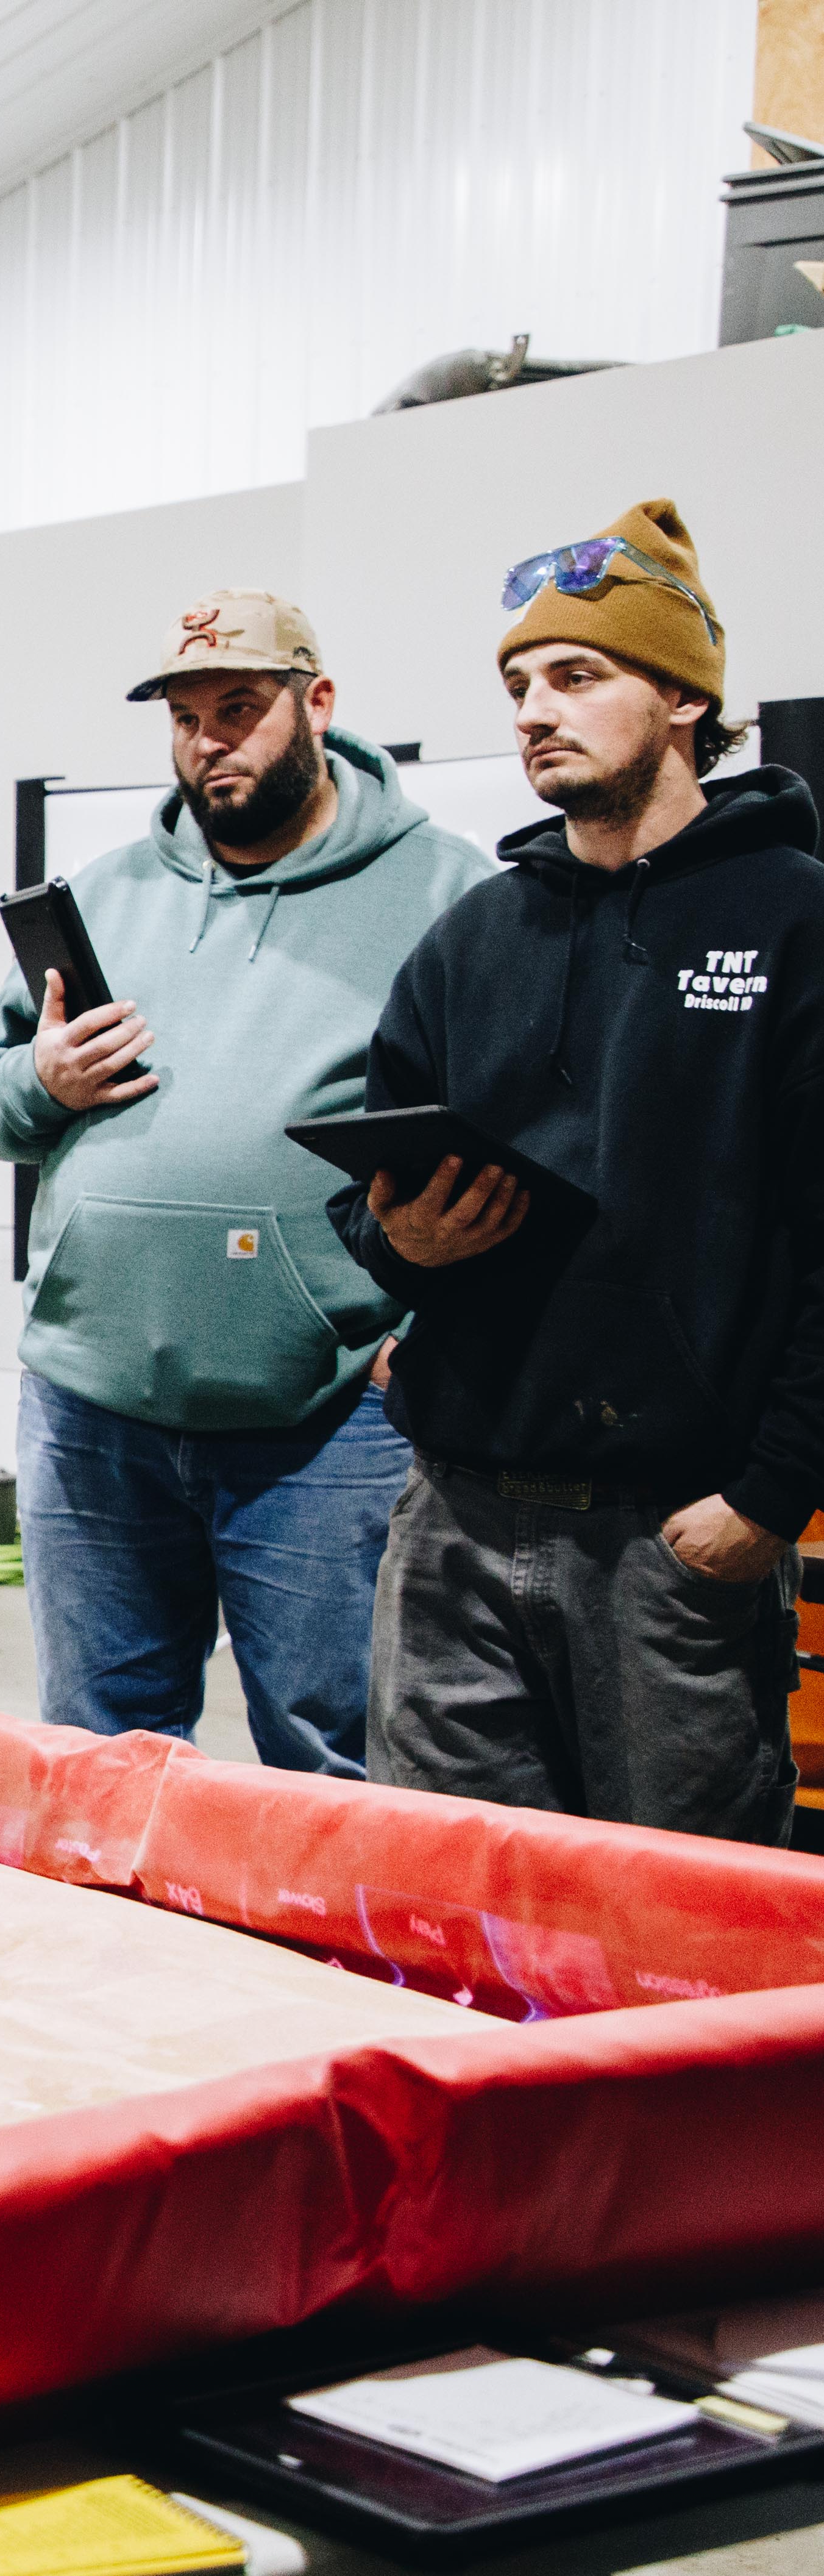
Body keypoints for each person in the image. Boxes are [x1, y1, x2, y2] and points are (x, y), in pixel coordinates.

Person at [337, 500, 823, 1843]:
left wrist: (766, 1501)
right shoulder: (474, 935)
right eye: (516, 684)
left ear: (681, 698)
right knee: (444, 1913)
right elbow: (366, 1189)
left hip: (669, 1539)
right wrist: (402, 1251)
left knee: (675, 1940)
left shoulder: (792, 918)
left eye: (576, 674)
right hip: (453, 1517)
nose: (534, 709)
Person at [0, 593, 487, 1769]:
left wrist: (427, 1323)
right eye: (186, 717)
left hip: (321, 1414)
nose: (209, 740)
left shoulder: (448, 896)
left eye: (239, 709)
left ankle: (329, 1964)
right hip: (89, 1405)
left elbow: (503, 1144)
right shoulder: (102, 892)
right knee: (98, 1749)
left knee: (330, 1751)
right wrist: (41, 1079)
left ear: (318, 705)